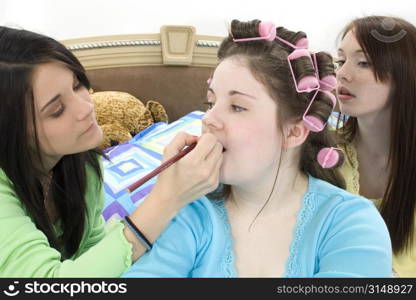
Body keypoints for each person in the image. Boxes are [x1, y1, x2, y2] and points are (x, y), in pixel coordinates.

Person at [123, 19, 392, 278]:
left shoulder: (351, 224)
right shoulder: (191, 214)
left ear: (295, 131)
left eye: (237, 107)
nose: (208, 120)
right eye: (210, 103)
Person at [0, 26, 224, 277]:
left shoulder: (82, 165)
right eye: (56, 110)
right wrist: (167, 197)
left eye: (77, 86)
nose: (85, 107)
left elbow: (91, 251)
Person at [335, 16, 416, 277]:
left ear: (405, 73)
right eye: (341, 60)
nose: (342, 73)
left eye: (363, 62)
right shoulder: (321, 153)